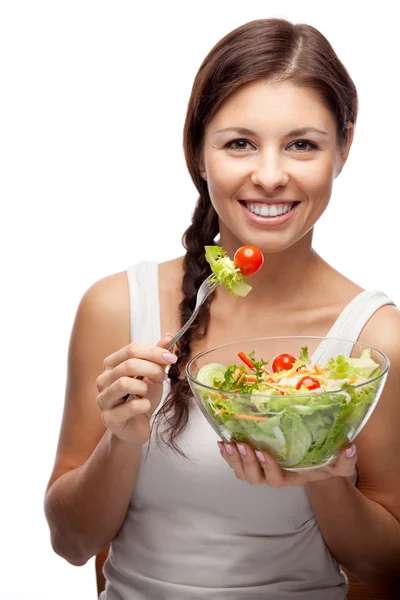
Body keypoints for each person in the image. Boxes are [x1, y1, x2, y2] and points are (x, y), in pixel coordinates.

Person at [44, 18, 400, 599]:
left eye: (302, 144)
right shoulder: (115, 306)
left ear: (344, 150)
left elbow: (385, 570)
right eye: (239, 143)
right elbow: (70, 542)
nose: (269, 175)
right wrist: (123, 440)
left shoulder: (376, 339)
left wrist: (326, 479)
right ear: (199, 153)